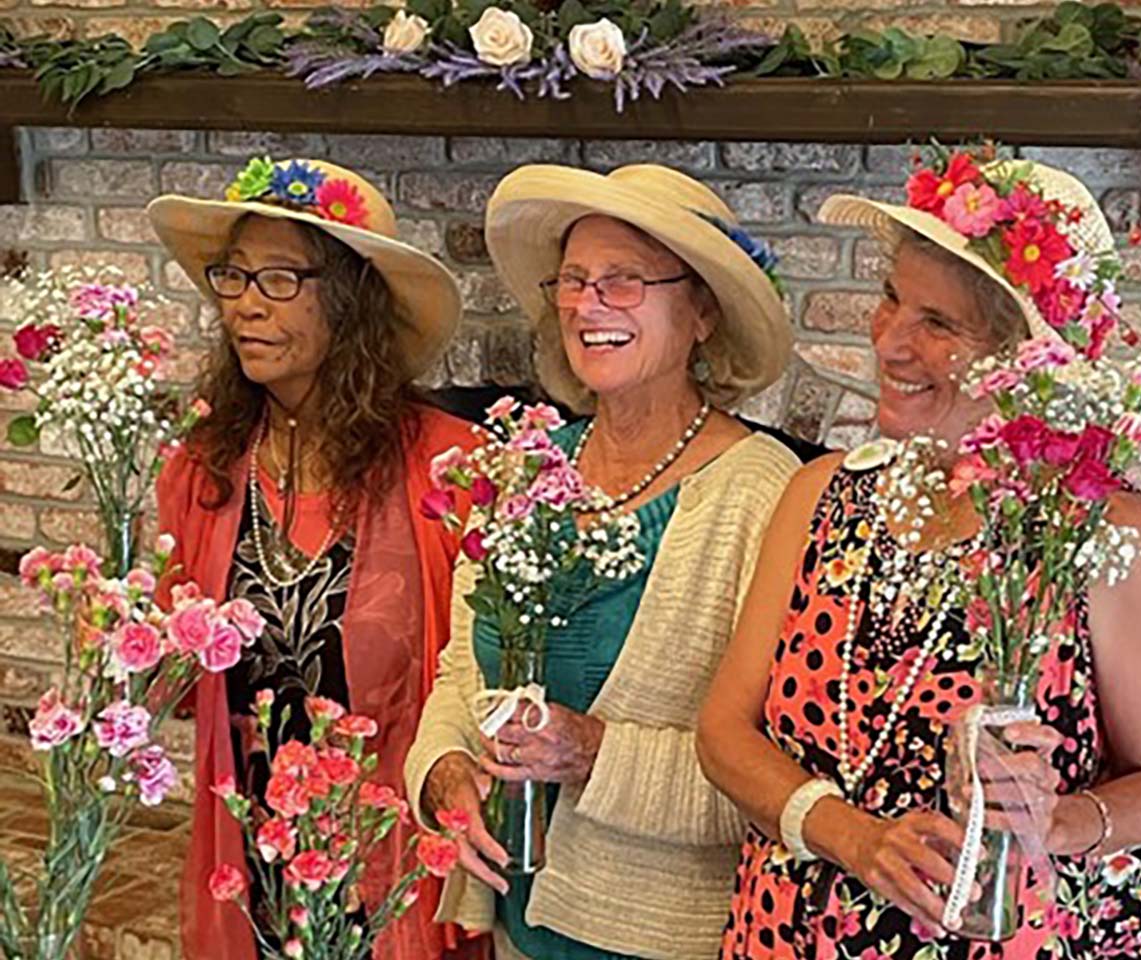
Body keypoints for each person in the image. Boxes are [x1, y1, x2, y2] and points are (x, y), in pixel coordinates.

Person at [697, 154, 1141, 959]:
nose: (891, 341)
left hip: (1011, 936)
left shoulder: (1099, 534)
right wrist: (848, 836)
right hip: (792, 933)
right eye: (892, 297)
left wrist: (1060, 819)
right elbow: (724, 731)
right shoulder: (821, 497)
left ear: (1022, 362)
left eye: (938, 324)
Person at [404, 164, 800, 960]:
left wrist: (590, 750)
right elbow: (461, 674)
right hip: (518, 926)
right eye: (575, 281)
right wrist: (442, 768)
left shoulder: (765, 493)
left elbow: (779, 775)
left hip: (671, 938)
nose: (588, 306)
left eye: (624, 283)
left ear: (702, 313)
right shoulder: (527, 464)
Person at [148, 158, 486, 960]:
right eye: (233, 277)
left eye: (278, 279)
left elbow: (479, 676)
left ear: (348, 298)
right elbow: (178, 684)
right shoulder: (203, 467)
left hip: (399, 869)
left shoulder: (448, 467)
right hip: (252, 867)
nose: (244, 305)